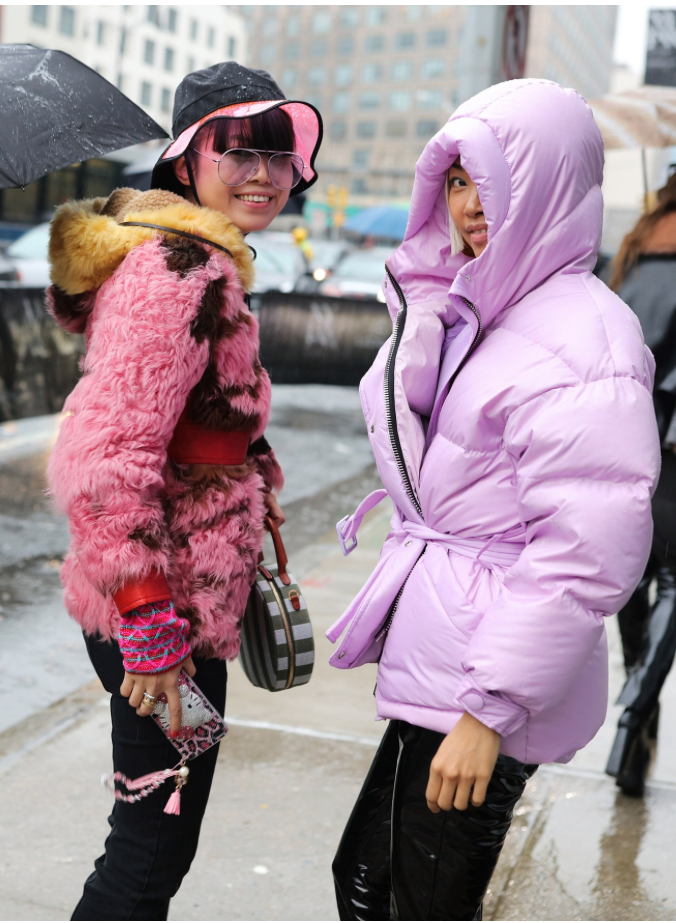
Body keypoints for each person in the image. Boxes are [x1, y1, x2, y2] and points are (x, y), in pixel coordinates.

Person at [328, 79, 660, 921]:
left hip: (485, 680)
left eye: (493, 181)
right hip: (453, 655)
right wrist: (426, 307)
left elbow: (586, 551)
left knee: (413, 902)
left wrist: (488, 712)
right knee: (367, 884)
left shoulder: (586, 339)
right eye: (456, 181)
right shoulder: (484, 311)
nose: (471, 204)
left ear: (548, 188)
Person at [45, 62, 322, 920]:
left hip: (179, 603)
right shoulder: (178, 270)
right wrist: (152, 629)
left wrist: (246, 473)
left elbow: (189, 420)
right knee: (149, 849)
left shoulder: (204, 261)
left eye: (278, 156)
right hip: (157, 613)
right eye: (238, 152)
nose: (263, 174)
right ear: (187, 160)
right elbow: (105, 459)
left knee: (158, 838)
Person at [605, 172, 676, 796]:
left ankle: (637, 714)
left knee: (633, 579)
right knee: (674, 582)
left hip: (623, 438)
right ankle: (634, 714)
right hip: (672, 446)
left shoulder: (629, 255)